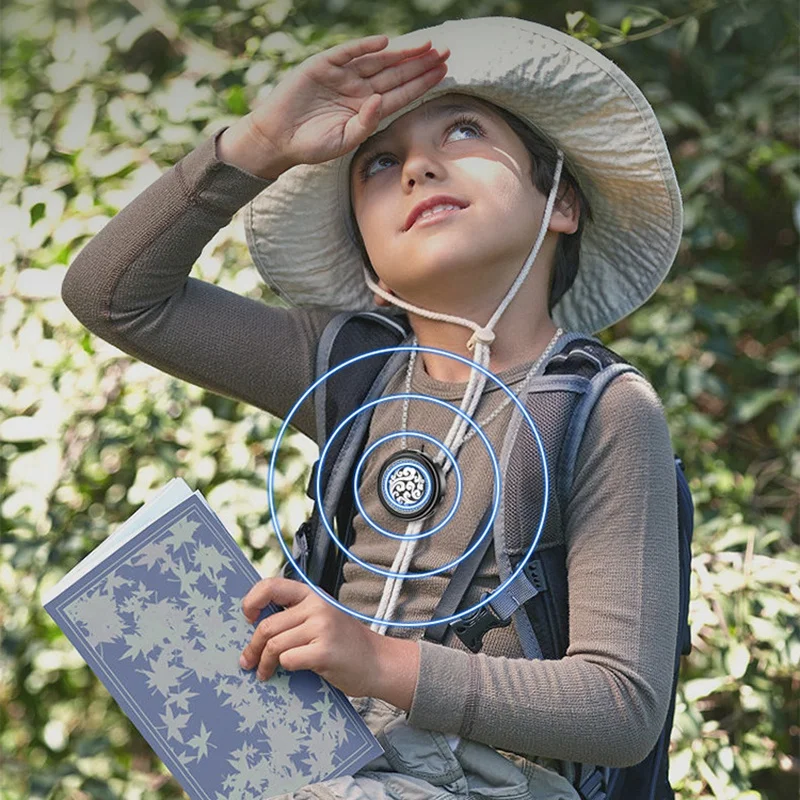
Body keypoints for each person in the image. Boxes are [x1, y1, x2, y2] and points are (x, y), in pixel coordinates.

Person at [61, 16, 682, 800]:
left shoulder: (602, 410)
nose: (419, 166)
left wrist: (379, 662)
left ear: (561, 200)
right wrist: (259, 143)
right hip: (314, 755)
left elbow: (621, 708)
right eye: (378, 165)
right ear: (368, 261)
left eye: (462, 129)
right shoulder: (353, 372)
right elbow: (112, 298)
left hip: (484, 777)